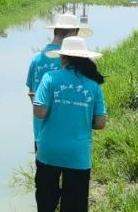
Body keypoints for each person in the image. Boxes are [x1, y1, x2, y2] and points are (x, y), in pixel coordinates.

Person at [32, 35, 108, 212]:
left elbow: (40, 110)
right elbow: (100, 123)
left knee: (46, 193)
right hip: (78, 156)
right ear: (83, 59)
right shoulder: (93, 86)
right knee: (75, 209)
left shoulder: (50, 78)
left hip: (49, 151)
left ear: (63, 57)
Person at [26, 12, 93, 149]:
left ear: (55, 31)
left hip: (41, 132)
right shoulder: (76, 60)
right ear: (74, 33)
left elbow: (33, 96)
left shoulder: (36, 59)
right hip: (70, 135)